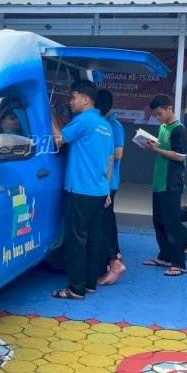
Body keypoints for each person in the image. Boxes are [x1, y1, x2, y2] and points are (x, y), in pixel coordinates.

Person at [49, 80, 113, 300]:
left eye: (73, 97)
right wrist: (105, 188)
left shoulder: (83, 120)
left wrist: (48, 113)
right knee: (94, 238)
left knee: (76, 240)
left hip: (81, 190)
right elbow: (108, 159)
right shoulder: (105, 125)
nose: (70, 101)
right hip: (98, 189)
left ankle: (75, 289)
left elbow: (58, 139)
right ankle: (90, 283)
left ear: (85, 99)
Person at [140, 93, 187, 277]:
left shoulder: (179, 129)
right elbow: (163, 150)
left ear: (170, 109)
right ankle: (165, 257)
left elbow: (180, 155)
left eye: (160, 113)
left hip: (171, 184)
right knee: (159, 221)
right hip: (159, 182)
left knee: (172, 223)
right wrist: (150, 147)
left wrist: (157, 149)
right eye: (155, 115)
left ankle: (179, 263)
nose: (157, 117)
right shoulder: (163, 127)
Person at [95, 89, 126, 286]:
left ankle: (113, 260)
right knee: (107, 220)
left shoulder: (113, 125)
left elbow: (117, 154)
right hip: (102, 182)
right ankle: (114, 255)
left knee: (102, 222)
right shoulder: (103, 124)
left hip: (107, 182)